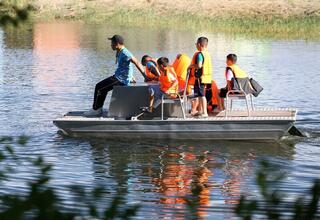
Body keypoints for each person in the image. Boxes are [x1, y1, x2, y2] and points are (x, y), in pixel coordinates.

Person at [84, 35, 147, 117]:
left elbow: (136, 62)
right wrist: (131, 76)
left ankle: (96, 109)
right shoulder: (120, 51)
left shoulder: (125, 53)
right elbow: (127, 65)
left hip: (120, 79)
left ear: (117, 44)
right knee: (102, 89)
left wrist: (145, 76)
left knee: (99, 87)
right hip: (119, 77)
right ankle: (98, 109)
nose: (111, 45)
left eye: (112, 43)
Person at [188, 37, 213, 118]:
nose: (196, 46)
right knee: (199, 95)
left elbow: (199, 65)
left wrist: (191, 66)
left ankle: (205, 112)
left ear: (199, 44)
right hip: (206, 77)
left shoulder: (200, 54)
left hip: (200, 78)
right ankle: (200, 111)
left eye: (196, 44)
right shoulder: (207, 54)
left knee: (202, 95)